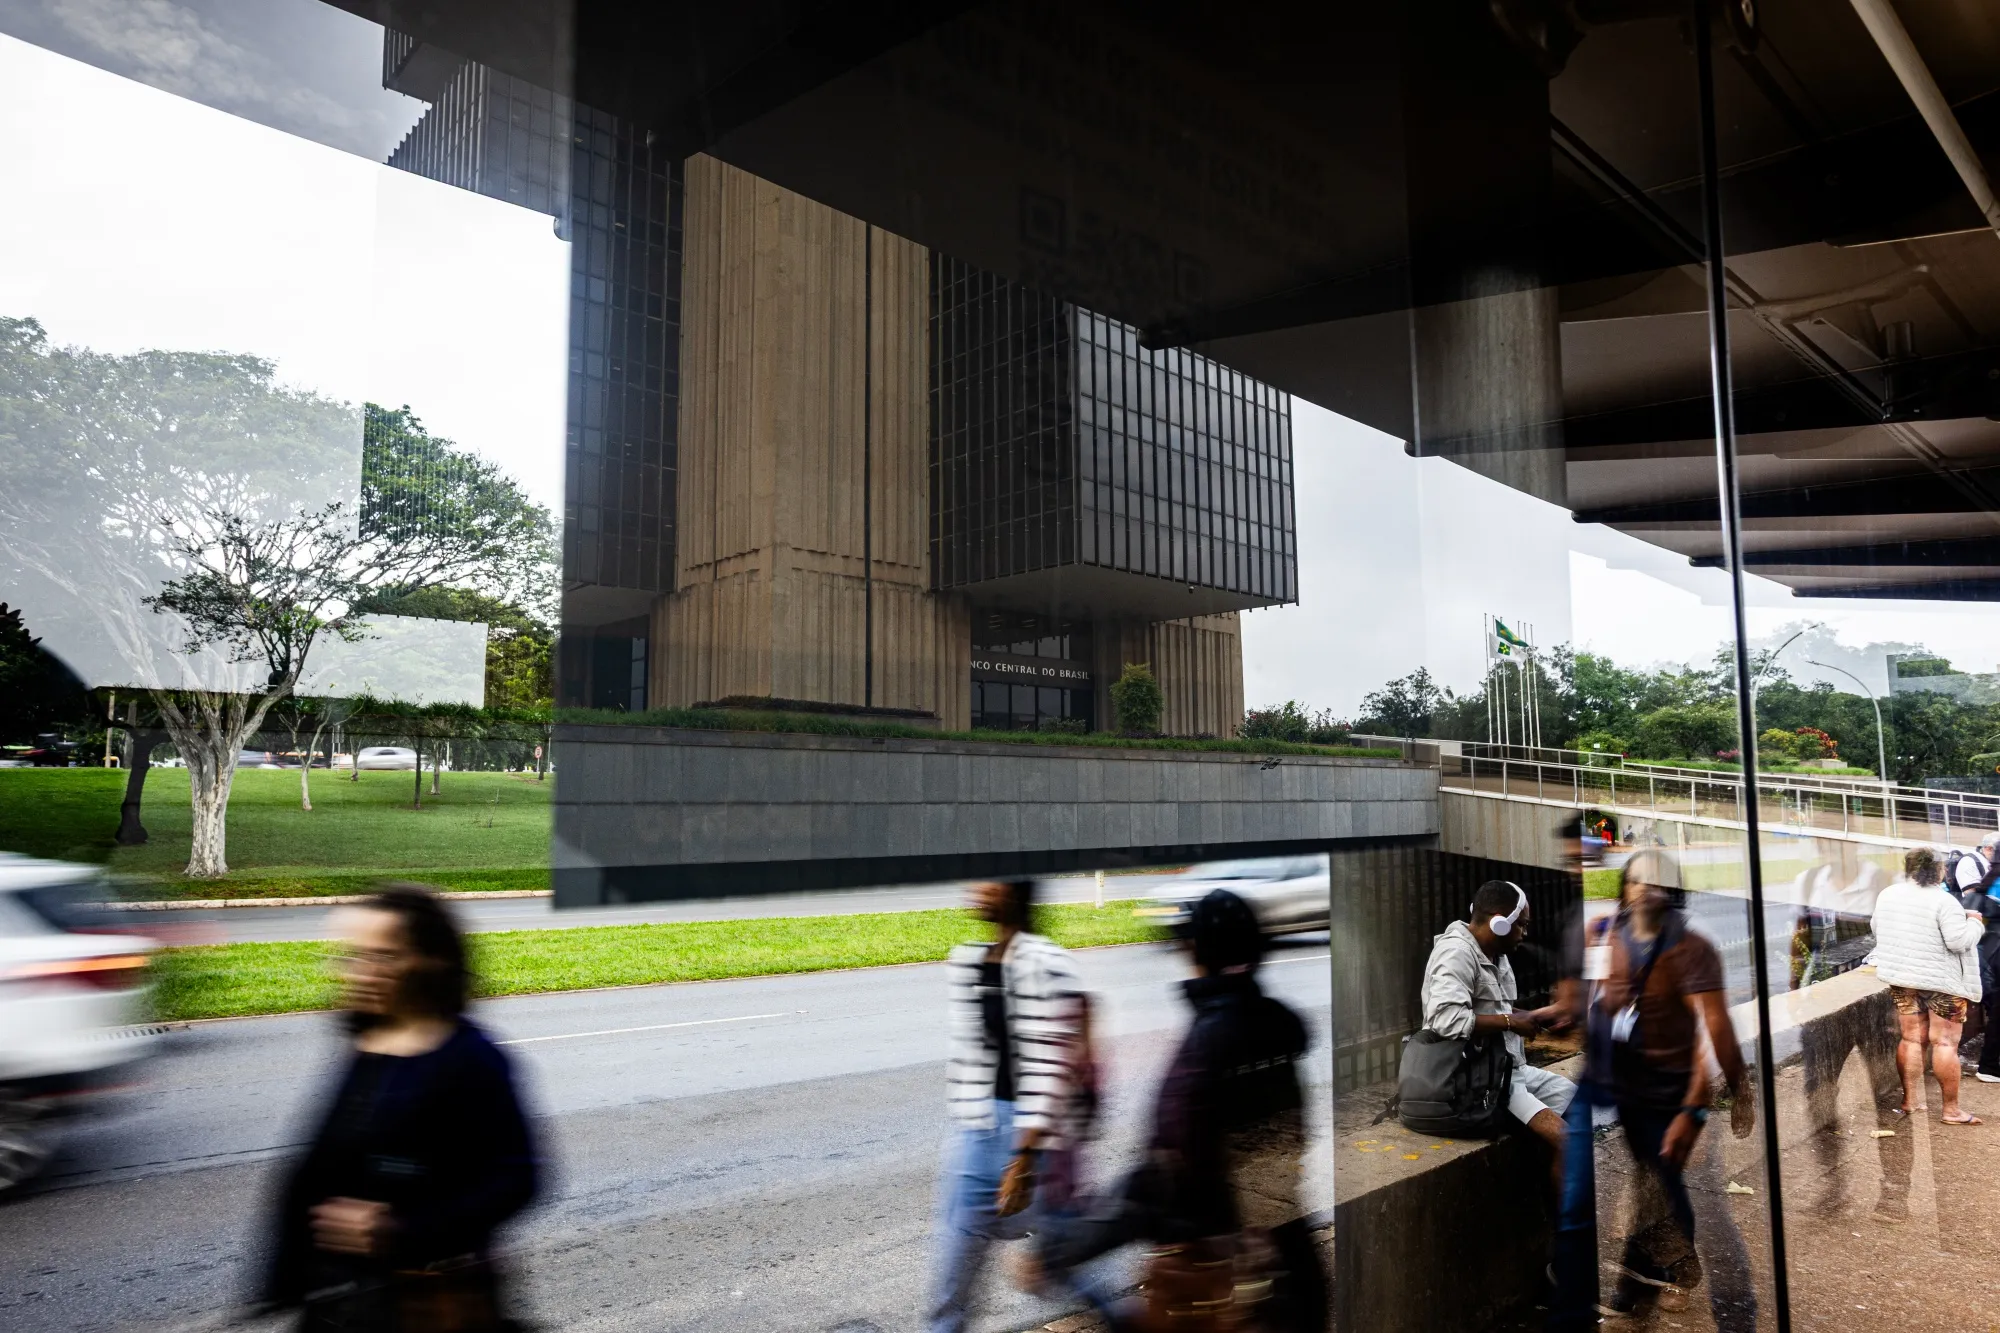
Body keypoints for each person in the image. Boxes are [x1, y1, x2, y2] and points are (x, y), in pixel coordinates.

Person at [1017, 889, 1322, 1332]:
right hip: (1290, 1264)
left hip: (1216, 1290)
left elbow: (1160, 1178)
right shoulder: (1277, 1033)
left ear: (1194, 950)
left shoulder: (1206, 1048)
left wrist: (1055, 1251)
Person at [263, 885, 540, 1332]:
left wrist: (400, 1229)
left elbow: (518, 1178)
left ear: (433, 960)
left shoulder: (470, 1058)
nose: (361, 973)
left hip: (429, 1303)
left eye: (384, 957)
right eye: (352, 956)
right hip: (341, 1302)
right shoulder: (367, 1044)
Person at [1550, 849, 1757, 1331]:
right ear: (1625, 887)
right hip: (1601, 1084)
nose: (1647, 889)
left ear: (1672, 892)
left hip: (1661, 1090)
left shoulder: (1691, 948)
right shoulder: (1600, 932)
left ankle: (1716, 1297)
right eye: (1638, 881)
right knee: (1580, 1200)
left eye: (1658, 882)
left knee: (1667, 1190)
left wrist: (1733, 1093)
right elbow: (1583, 1001)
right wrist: (1557, 1015)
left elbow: (1717, 1026)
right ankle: (1579, 1310)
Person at [931, 878, 1082, 1333]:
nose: (975, 886)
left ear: (1015, 889)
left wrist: (1025, 1156)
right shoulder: (971, 961)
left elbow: (1049, 1063)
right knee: (954, 1271)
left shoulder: (1046, 961)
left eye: (989, 877)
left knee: (1071, 1263)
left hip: (1026, 1138)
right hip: (979, 1131)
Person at [1417, 879, 1574, 1179]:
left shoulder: (1496, 954)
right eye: (1522, 925)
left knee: (1577, 1102)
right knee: (1571, 1142)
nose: (1525, 933)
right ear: (1500, 923)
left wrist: (1531, 1016)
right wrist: (1512, 1022)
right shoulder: (1457, 954)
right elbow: (1445, 1020)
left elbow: (1496, 1009)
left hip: (1508, 1071)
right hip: (1476, 1081)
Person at [1870, 846, 1985, 1125]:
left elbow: (1876, 928)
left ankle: (1911, 1101)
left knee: (1910, 1038)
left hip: (1903, 978)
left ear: (1908, 869)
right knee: (1944, 1042)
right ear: (1939, 871)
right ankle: (1951, 1110)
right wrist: (1975, 924)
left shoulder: (1888, 895)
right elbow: (1957, 941)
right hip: (1943, 983)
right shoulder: (1944, 902)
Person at [1789, 838, 1889, 990]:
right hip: (1822, 985)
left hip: (1870, 984)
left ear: (1855, 842)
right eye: (1822, 838)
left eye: (1836, 839)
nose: (1828, 844)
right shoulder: (1807, 882)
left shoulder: (1879, 881)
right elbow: (1800, 939)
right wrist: (1794, 987)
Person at [1963, 846, 2000, 1083]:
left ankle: (1989, 1064)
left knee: (1997, 1010)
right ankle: (1987, 1065)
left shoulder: (1989, 881)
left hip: (1989, 952)